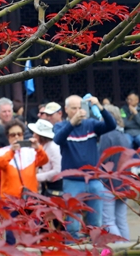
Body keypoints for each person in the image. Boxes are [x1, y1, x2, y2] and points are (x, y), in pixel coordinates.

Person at [53, 95, 116, 237]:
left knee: (96, 223)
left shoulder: (91, 124)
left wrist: (100, 106)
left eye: (80, 107)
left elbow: (112, 125)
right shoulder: (61, 126)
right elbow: (58, 139)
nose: (78, 111)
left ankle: (96, 250)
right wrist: (72, 123)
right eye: (74, 108)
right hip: (72, 182)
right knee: (73, 224)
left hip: (94, 180)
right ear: (66, 110)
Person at [98, 104, 131, 240]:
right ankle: (128, 248)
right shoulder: (123, 136)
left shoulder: (106, 135)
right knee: (121, 220)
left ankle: (119, 249)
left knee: (108, 221)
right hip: (124, 182)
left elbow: (103, 160)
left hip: (109, 183)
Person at [0, 119, 48, 198]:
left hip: (30, 199)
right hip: (10, 200)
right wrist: (12, 152)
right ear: (8, 137)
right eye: (13, 135)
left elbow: (44, 160)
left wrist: (38, 148)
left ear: (23, 135)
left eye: (19, 134)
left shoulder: (31, 151)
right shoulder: (2, 151)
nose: (17, 137)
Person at [28, 119, 62, 196]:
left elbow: (57, 171)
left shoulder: (53, 147)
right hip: (45, 186)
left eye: (35, 133)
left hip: (55, 187)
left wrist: (36, 177)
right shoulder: (41, 146)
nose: (33, 135)